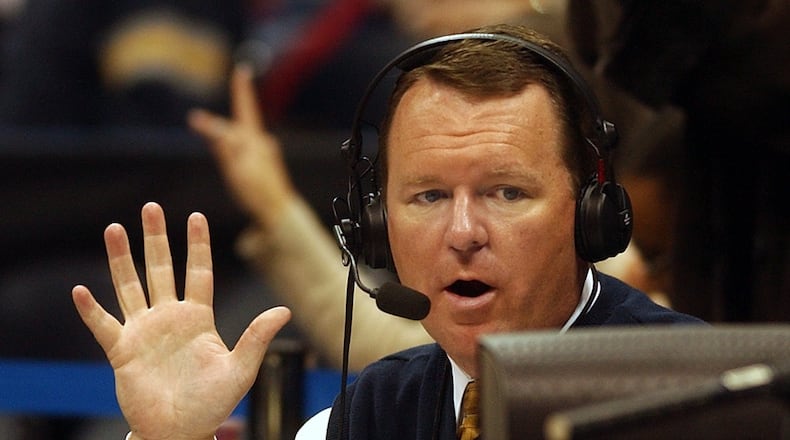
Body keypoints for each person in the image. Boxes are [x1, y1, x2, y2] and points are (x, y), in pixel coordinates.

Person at [72, 24, 703, 440]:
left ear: (588, 209)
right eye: (428, 195)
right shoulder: (365, 416)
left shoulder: (703, 391)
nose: (463, 232)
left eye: (505, 192)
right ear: (377, 226)